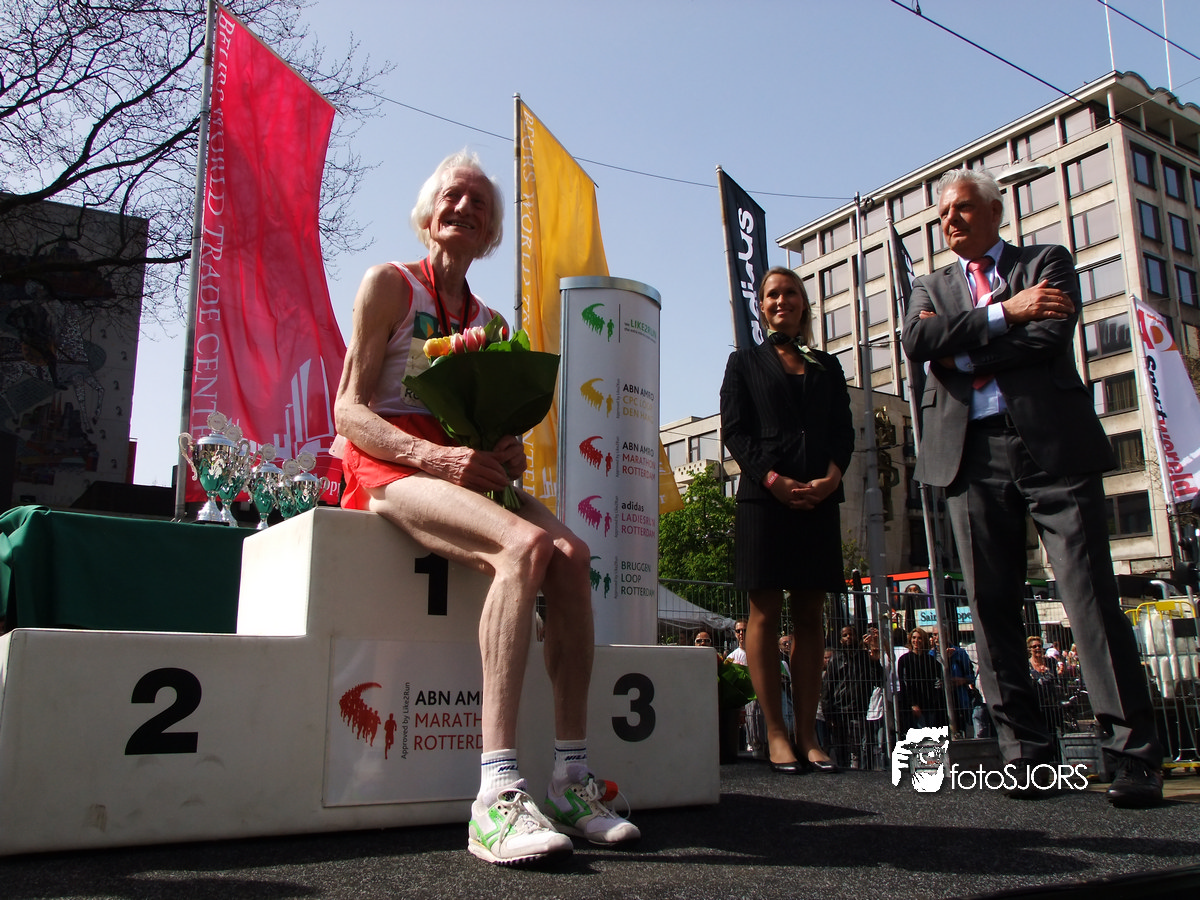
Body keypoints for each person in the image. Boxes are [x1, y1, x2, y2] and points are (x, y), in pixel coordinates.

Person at [333, 151, 639, 865]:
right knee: (526, 547)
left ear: (492, 231)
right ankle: (495, 796)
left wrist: (507, 450)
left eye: (480, 204)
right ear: (428, 211)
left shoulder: (492, 322)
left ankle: (569, 779)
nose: (465, 208)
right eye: (453, 195)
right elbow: (347, 409)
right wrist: (434, 457)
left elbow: (490, 425)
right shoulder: (388, 285)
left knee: (573, 557)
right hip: (391, 465)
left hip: (466, 471)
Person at [901, 167, 1164, 807]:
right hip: (969, 456)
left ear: (995, 211)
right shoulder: (929, 286)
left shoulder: (1046, 261)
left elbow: (1048, 335)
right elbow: (920, 340)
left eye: (963, 208)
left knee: (1089, 597)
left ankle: (1132, 757)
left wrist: (964, 349)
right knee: (990, 610)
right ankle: (1024, 756)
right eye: (943, 214)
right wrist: (1005, 314)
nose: (950, 221)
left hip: (1052, 449)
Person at [720, 265, 854, 774]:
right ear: (762, 307)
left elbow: (843, 430)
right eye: (773, 294)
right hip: (765, 499)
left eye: (791, 293)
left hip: (819, 499)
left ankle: (807, 734)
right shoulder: (743, 362)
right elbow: (735, 432)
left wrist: (832, 477)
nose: (782, 301)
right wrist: (772, 479)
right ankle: (775, 732)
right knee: (764, 611)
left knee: (810, 615)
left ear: (803, 304)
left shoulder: (827, 365)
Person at [822, 625, 878, 768]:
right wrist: (828, 714)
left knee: (858, 748)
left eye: (851, 634)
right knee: (841, 748)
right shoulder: (836, 659)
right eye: (845, 635)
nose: (848, 637)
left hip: (859, 709)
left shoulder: (864, 657)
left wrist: (875, 662)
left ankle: (860, 772)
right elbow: (828, 687)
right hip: (839, 710)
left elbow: (878, 679)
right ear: (840, 639)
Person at [897, 628, 946, 729]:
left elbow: (940, 678)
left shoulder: (931, 661)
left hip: (929, 705)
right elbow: (903, 684)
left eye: (919, 638)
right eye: (914, 638)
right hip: (913, 706)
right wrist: (912, 704)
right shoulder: (904, 660)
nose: (916, 641)